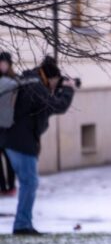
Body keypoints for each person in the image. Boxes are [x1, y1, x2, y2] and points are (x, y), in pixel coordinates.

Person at [0, 56, 75, 234]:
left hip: (11, 139)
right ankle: (22, 225)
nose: (54, 86)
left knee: (28, 183)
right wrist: (68, 90)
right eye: (55, 82)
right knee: (29, 183)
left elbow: (44, 107)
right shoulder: (36, 88)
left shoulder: (27, 81)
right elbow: (58, 106)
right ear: (49, 77)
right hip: (21, 143)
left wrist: (59, 89)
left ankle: (23, 223)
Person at [0, 51, 17, 196]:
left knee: (9, 156)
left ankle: (11, 186)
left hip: (9, 124)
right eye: (1, 63)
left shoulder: (14, 80)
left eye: (5, 63)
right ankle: (2, 187)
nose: (2, 66)